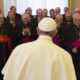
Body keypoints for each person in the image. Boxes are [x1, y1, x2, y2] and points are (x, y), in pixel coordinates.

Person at [1, 17, 76, 80]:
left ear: (37, 30)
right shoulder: (64, 55)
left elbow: (7, 75)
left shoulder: (19, 49)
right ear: (55, 32)